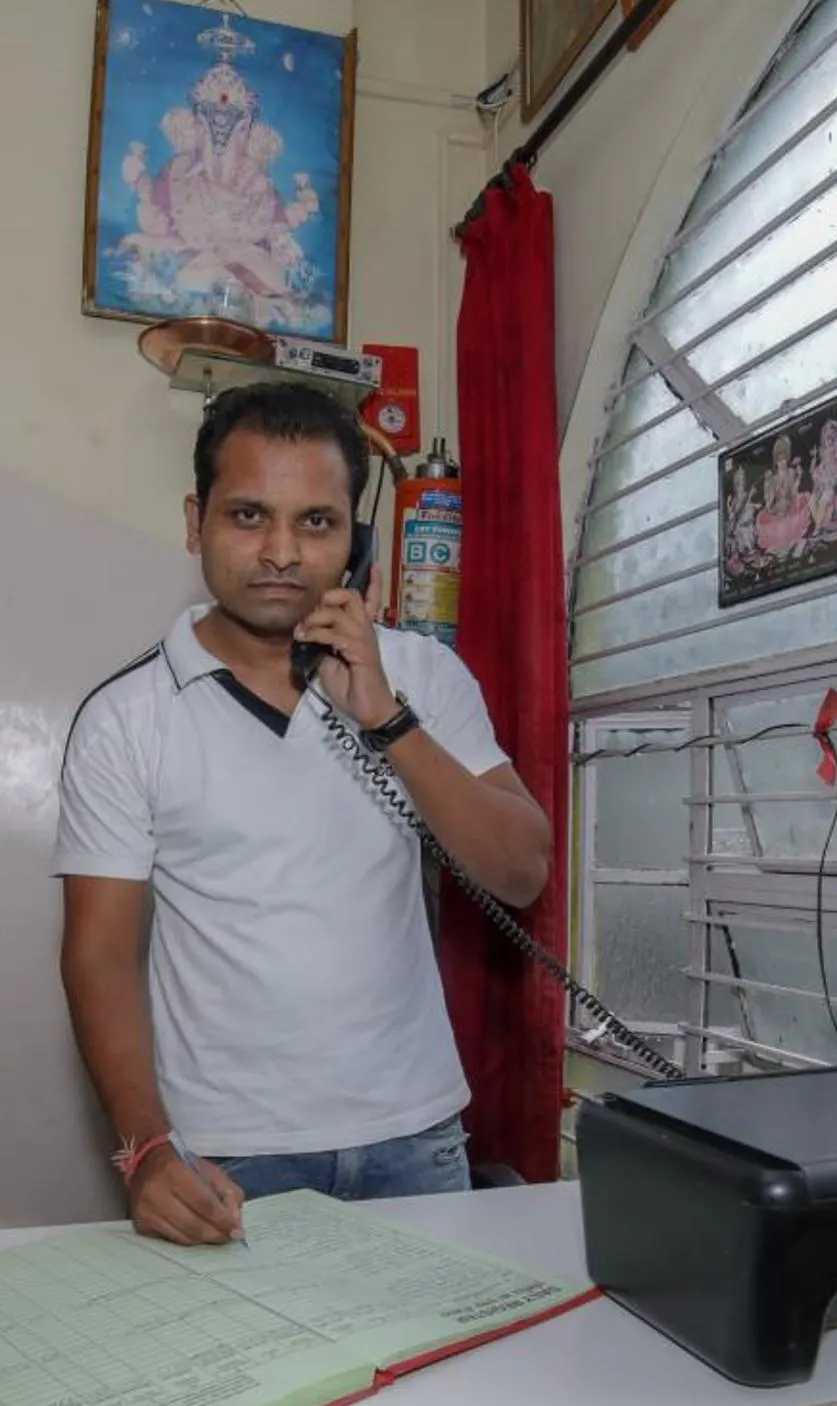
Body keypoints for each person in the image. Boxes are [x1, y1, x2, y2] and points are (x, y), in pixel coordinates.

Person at [53, 382, 551, 1246]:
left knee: (436, 1383)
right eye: (248, 516)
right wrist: (147, 1152)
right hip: (225, 1159)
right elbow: (97, 956)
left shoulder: (422, 677)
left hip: (415, 1139)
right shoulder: (126, 716)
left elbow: (521, 871)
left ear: (354, 543)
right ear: (194, 521)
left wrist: (387, 719)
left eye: (315, 523)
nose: (281, 551)